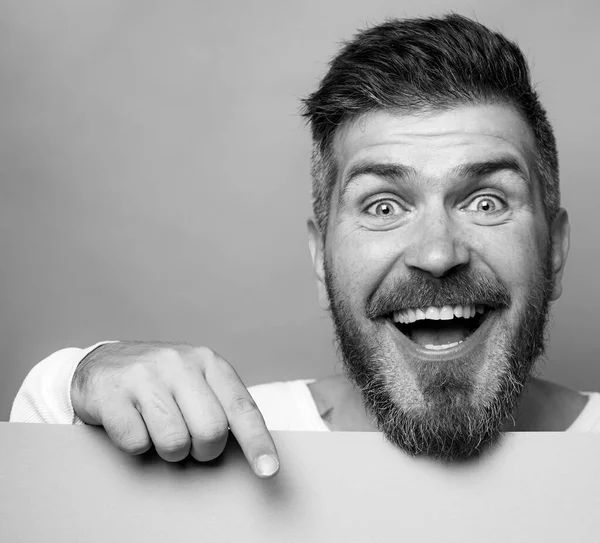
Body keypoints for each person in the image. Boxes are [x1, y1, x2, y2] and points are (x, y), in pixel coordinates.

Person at [10, 14, 600, 479]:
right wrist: (76, 376)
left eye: (486, 202)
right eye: (384, 206)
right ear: (321, 259)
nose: (439, 254)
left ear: (555, 246)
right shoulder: (221, 443)